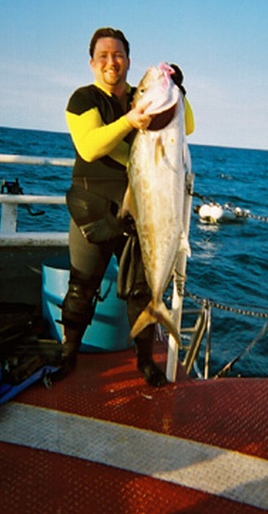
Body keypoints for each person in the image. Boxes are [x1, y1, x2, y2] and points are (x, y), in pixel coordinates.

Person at [59, 27, 194, 386]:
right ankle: (67, 353)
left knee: (141, 289)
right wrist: (129, 121)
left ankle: (146, 361)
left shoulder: (143, 96)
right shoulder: (83, 99)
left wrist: (178, 87)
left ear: (128, 61)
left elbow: (188, 125)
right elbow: (89, 147)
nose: (111, 62)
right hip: (94, 208)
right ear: (92, 63)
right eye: (103, 55)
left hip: (141, 211)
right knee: (81, 286)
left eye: (117, 55)